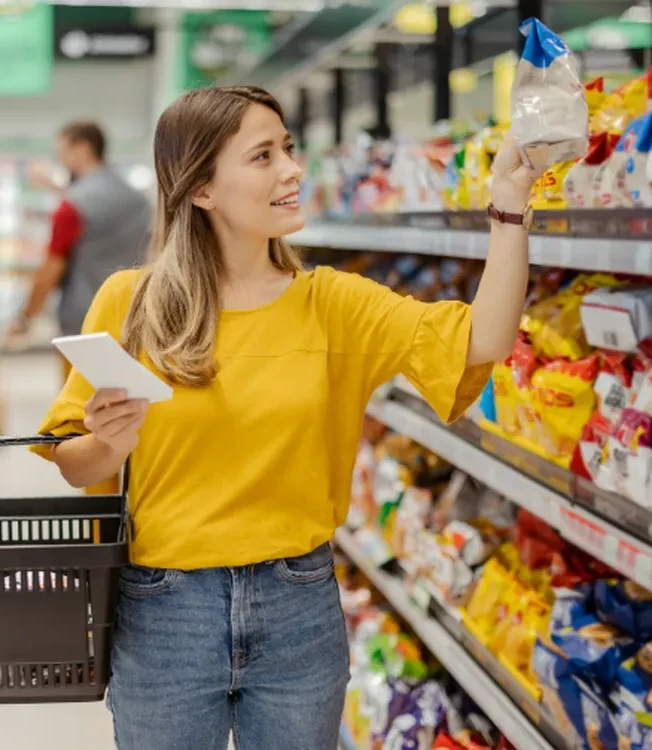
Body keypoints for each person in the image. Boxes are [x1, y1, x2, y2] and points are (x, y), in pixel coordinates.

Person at [33, 86, 540, 749]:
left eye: (289, 150)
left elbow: (485, 340)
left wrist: (510, 209)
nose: (292, 170)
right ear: (203, 188)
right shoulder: (134, 303)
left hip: (298, 605)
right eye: (263, 156)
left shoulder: (332, 304)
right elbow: (73, 461)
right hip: (165, 610)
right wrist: (106, 444)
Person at [11, 120, 152, 381]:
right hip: (133, 319)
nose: (61, 160)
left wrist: (25, 317)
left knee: (80, 409)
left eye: (62, 152)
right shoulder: (138, 200)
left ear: (83, 149)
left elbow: (51, 268)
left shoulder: (72, 207)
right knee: (128, 401)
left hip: (83, 326)